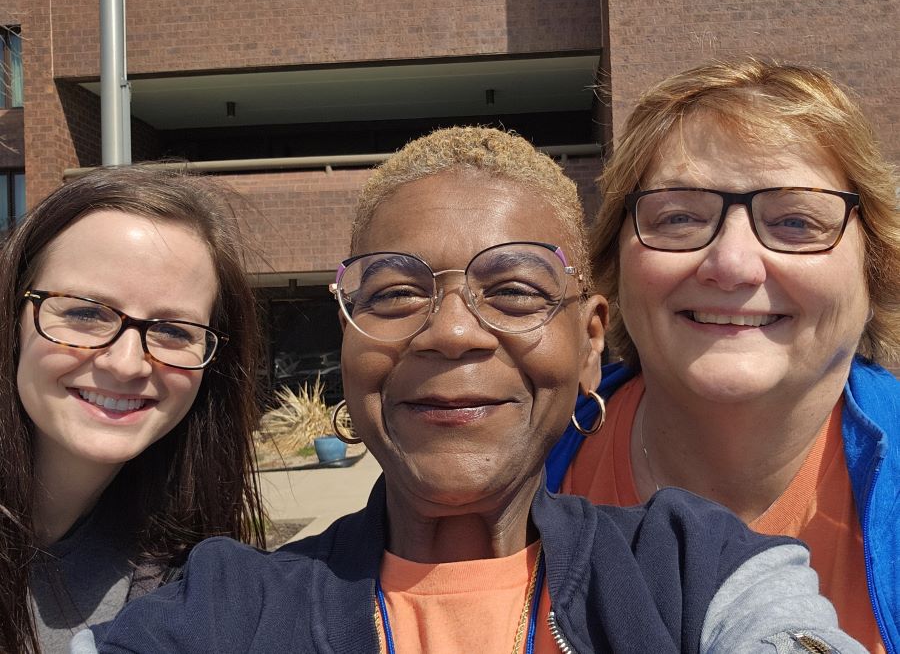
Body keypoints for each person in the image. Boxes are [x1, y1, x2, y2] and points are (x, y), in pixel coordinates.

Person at [78, 127, 863, 654]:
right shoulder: (226, 607)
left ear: (592, 340)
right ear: (348, 342)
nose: (450, 331)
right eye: (392, 294)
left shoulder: (697, 569)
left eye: (515, 291)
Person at [547, 60, 899, 654]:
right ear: (617, 264)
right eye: (679, 217)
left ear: (875, 268)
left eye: (795, 220)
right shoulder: (526, 463)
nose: (733, 265)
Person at [0, 166, 266, 653]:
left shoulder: (201, 584)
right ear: (12, 319)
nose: (126, 365)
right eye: (83, 312)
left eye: (174, 331)